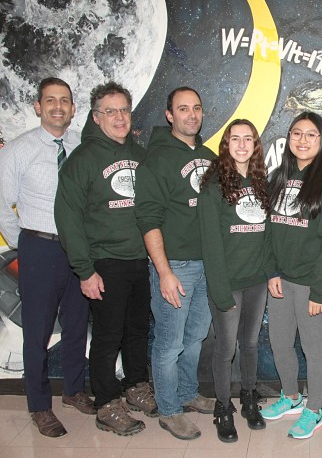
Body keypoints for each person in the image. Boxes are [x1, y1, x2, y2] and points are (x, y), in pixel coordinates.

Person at [55, 81, 156, 436]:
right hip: (104, 262)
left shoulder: (141, 155)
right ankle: (106, 403)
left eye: (124, 110)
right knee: (107, 336)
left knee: (137, 331)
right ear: (96, 118)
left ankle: (135, 386)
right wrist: (85, 270)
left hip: (139, 260)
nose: (119, 117)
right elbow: (67, 218)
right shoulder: (82, 160)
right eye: (110, 111)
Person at [0, 78, 94, 438]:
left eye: (65, 101)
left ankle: (73, 390)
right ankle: (39, 405)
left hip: (79, 249)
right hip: (40, 248)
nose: (58, 107)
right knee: (37, 332)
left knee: (76, 324)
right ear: (38, 106)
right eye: (51, 100)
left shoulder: (80, 147)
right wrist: (25, 243)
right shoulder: (17, 151)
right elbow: (2, 207)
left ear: (73, 108)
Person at [135, 86, 215, 440]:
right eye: (183, 109)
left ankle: (187, 393)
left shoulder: (210, 155)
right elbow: (148, 219)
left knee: (195, 337)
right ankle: (168, 409)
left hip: (208, 266)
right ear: (170, 115)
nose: (191, 115)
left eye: (196, 108)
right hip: (176, 267)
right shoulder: (156, 158)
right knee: (169, 343)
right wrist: (164, 272)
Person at [260, 111, 322, 440]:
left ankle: (314, 410)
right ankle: (291, 397)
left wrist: (320, 291)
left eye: (311, 134)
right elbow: (267, 229)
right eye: (297, 133)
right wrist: (271, 272)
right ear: (288, 138)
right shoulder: (279, 175)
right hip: (282, 280)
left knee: (312, 347)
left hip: (314, 283)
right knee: (280, 343)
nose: (303, 140)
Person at [197, 119, 272, 442]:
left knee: (251, 343)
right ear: (225, 145)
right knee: (225, 348)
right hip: (227, 283)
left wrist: (270, 274)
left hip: (256, 281)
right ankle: (223, 407)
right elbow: (210, 244)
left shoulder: (261, 182)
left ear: (255, 145)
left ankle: (249, 397)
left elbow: (268, 236)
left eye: (248, 139)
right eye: (235, 139)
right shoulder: (213, 185)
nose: (242, 145)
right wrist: (220, 289)